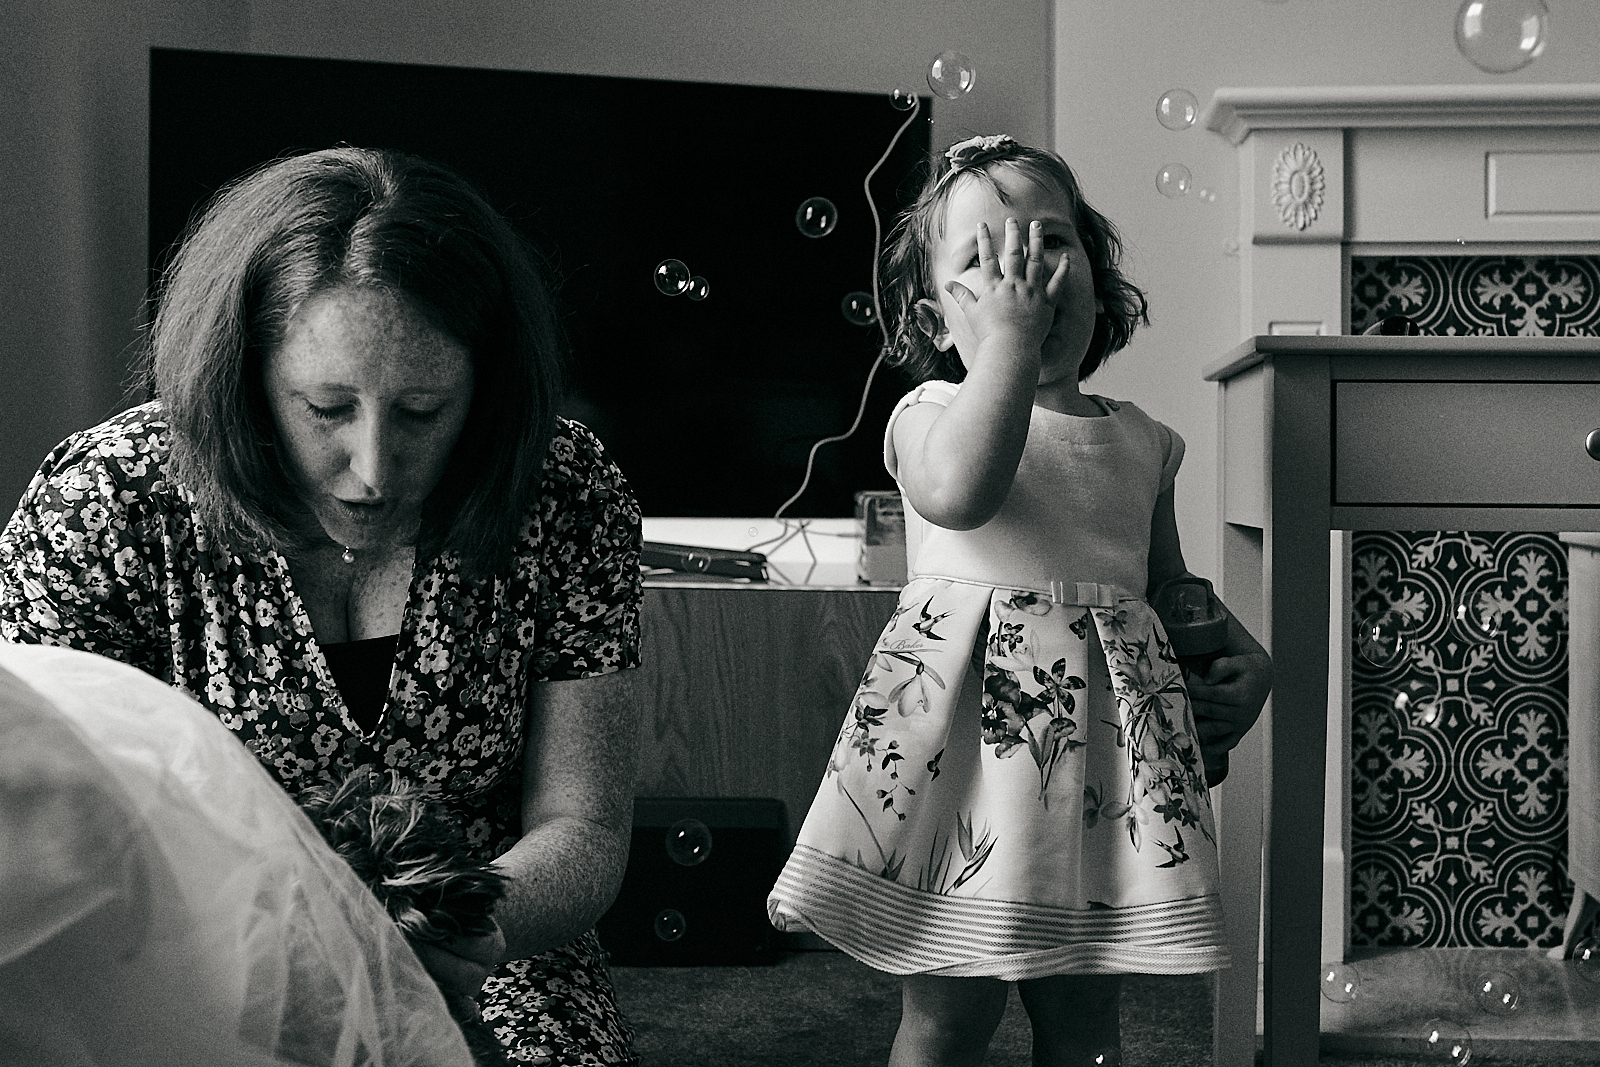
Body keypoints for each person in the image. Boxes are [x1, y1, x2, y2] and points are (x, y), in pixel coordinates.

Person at [0, 146, 643, 1066]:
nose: (375, 468)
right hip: (190, 958)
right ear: (248, 375)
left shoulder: (564, 489)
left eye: (424, 411)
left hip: (488, 945)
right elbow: (51, 848)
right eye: (325, 407)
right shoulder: (104, 506)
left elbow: (584, 824)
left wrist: (471, 928)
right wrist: (305, 965)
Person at [767, 134, 1272, 1066]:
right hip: (958, 764)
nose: (1023, 272)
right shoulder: (926, 414)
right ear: (935, 314)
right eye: (985, 259)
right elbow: (962, 493)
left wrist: (1249, 662)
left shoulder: (1145, 442)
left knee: (1083, 1022)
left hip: (1099, 770)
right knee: (949, 1016)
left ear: (1099, 278)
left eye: (1050, 243)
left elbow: (1168, 588)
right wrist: (1003, 348)